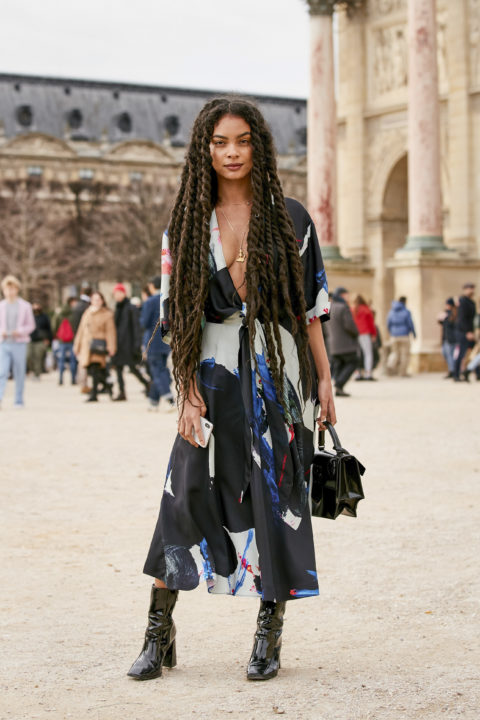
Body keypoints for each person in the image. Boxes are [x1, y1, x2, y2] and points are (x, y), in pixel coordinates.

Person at [127, 97, 335, 684]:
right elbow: (176, 317)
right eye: (220, 143)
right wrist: (186, 391)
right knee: (185, 490)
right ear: (205, 149)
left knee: (277, 497)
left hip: (277, 370)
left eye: (242, 141)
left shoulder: (292, 219)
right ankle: (158, 629)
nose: (232, 152)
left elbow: (311, 309)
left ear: (258, 146)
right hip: (210, 369)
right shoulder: (187, 225)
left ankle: (269, 632)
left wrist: (322, 377)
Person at [73, 291, 116, 402]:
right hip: (86, 345)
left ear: (102, 301)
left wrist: (111, 347)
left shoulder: (107, 314)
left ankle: (94, 394)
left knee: (95, 369)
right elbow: (81, 330)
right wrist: (76, 346)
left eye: (98, 299)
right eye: (94, 299)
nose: (96, 302)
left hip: (99, 345)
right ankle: (107, 385)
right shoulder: (87, 313)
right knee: (91, 369)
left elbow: (110, 332)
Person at [0, 275, 35, 408]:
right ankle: (0, 397)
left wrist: (19, 331)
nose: (10, 292)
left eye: (12, 288)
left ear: (17, 289)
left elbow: (31, 325)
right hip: (4, 342)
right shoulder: (1, 306)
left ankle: (19, 400)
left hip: (19, 342)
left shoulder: (25, 306)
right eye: (7, 289)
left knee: (19, 371)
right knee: (2, 371)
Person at [140, 276, 175, 411]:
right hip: (165, 339)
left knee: (157, 370)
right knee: (159, 370)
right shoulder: (168, 299)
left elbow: (144, 322)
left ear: (151, 286)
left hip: (152, 341)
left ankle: (169, 398)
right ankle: (153, 401)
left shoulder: (150, 301)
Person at [111, 283, 149, 401]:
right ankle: (122, 392)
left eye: (119, 293)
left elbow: (137, 327)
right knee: (118, 368)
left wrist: (137, 344)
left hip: (128, 344)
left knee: (132, 368)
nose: (117, 295)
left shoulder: (131, 308)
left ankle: (147, 384)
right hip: (118, 344)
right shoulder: (117, 308)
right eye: (115, 293)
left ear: (124, 293)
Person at [328, 287, 359, 397]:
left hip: (333, 344)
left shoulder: (329, 307)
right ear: (342, 295)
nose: (348, 297)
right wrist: (356, 333)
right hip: (346, 344)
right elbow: (349, 326)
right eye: (347, 295)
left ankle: (338, 388)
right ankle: (339, 384)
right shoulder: (343, 307)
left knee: (339, 365)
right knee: (353, 362)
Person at [386, 296, 416, 377]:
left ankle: (390, 365)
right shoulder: (406, 311)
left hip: (394, 335)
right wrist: (414, 334)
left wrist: (391, 332)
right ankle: (403, 372)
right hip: (404, 335)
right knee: (404, 354)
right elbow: (410, 323)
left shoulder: (391, 311)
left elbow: (388, 323)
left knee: (395, 352)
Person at [452, 283, 476, 382]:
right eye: (469, 288)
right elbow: (462, 319)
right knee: (460, 354)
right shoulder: (463, 302)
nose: (472, 291)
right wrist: (468, 332)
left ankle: (475, 373)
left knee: (475, 353)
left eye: (473, 288)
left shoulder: (471, 302)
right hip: (463, 332)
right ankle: (456, 375)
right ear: (465, 289)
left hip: (469, 331)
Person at [54, 297, 78, 385]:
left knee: (61, 360)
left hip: (62, 341)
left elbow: (54, 326)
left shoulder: (60, 314)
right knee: (73, 360)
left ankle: (60, 379)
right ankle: (73, 379)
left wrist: (58, 336)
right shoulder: (73, 313)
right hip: (72, 340)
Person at [352, 295, 377, 381]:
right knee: (368, 354)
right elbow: (371, 323)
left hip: (354, 334)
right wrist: (374, 334)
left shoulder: (352, 309)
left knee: (357, 354)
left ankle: (357, 373)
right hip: (364, 333)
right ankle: (368, 373)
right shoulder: (366, 310)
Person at [72, 286, 91, 394]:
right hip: (87, 337)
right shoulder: (87, 307)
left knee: (81, 362)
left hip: (79, 336)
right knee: (86, 362)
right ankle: (84, 384)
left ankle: (81, 383)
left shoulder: (77, 306)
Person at [28, 302, 53, 379]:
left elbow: (49, 329)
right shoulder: (29, 316)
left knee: (38, 358)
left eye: (37, 305)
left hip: (41, 340)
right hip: (29, 339)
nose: (35, 307)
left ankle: (37, 374)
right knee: (29, 356)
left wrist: (48, 340)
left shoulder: (45, 317)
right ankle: (32, 370)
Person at [438, 298, 456, 379]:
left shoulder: (454, 314)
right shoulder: (445, 314)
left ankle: (452, 371)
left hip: (451, 338)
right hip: (445, 337)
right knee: (445, 354)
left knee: (450, 355)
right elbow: (441, 323)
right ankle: (451, 370)